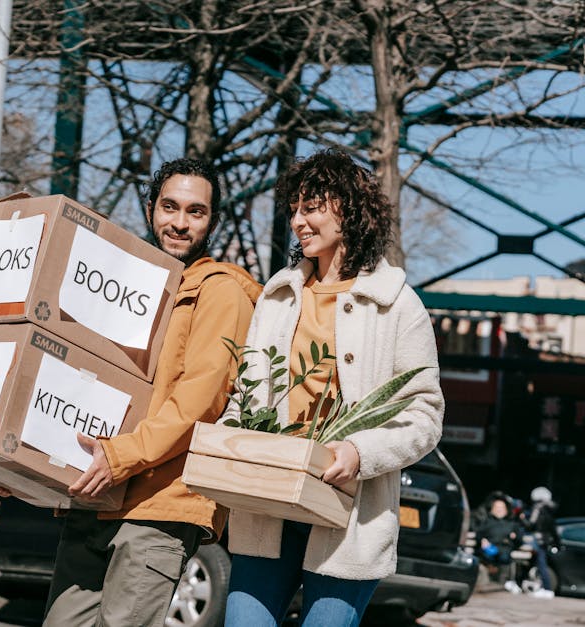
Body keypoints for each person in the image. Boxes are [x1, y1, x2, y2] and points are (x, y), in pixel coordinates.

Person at [0, 158, 262, 626]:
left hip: (160, 505)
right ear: (151, 208)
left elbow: (198, 402)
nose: (179, 222)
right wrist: (16, 466)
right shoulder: (133, 286)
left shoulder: (222, 293)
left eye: (196, 212)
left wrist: (119, 457)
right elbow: (73, 380)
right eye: (169, 207)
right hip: (95, 496)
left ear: (212, 221)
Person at [221, 148, 444, 627]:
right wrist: (227, 441)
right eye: (295, 209)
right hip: (269, 503)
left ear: (349, 209)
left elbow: (424, 416)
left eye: (312, 207)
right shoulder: (277, 296)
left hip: (350, 513)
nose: (299, 220)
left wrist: (359, 453)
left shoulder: (397, 304)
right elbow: (247, 390)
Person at [475, 496, 522, 590]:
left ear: (506, 510)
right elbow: (478, 534)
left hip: (505, 549)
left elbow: (519, 541)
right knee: (486, 556)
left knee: (504, 556)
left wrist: (515, 537)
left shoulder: (512, 524)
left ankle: (501, 583)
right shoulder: (487, 522)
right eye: (497, 508)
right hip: (489, 549)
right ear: (492, 509)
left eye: (501, 508)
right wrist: (482, 541)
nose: (499, 510)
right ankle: (488, 582)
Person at [520, 486, 559, 598]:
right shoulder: (550, 509)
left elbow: (530, 525)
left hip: (537, 540)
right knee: (540, 564)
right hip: (545, 540)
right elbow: (553, 528)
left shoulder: (537, 509)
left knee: (541, 564)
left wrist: (522, 518)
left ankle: (547, 588)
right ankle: (544, 588)